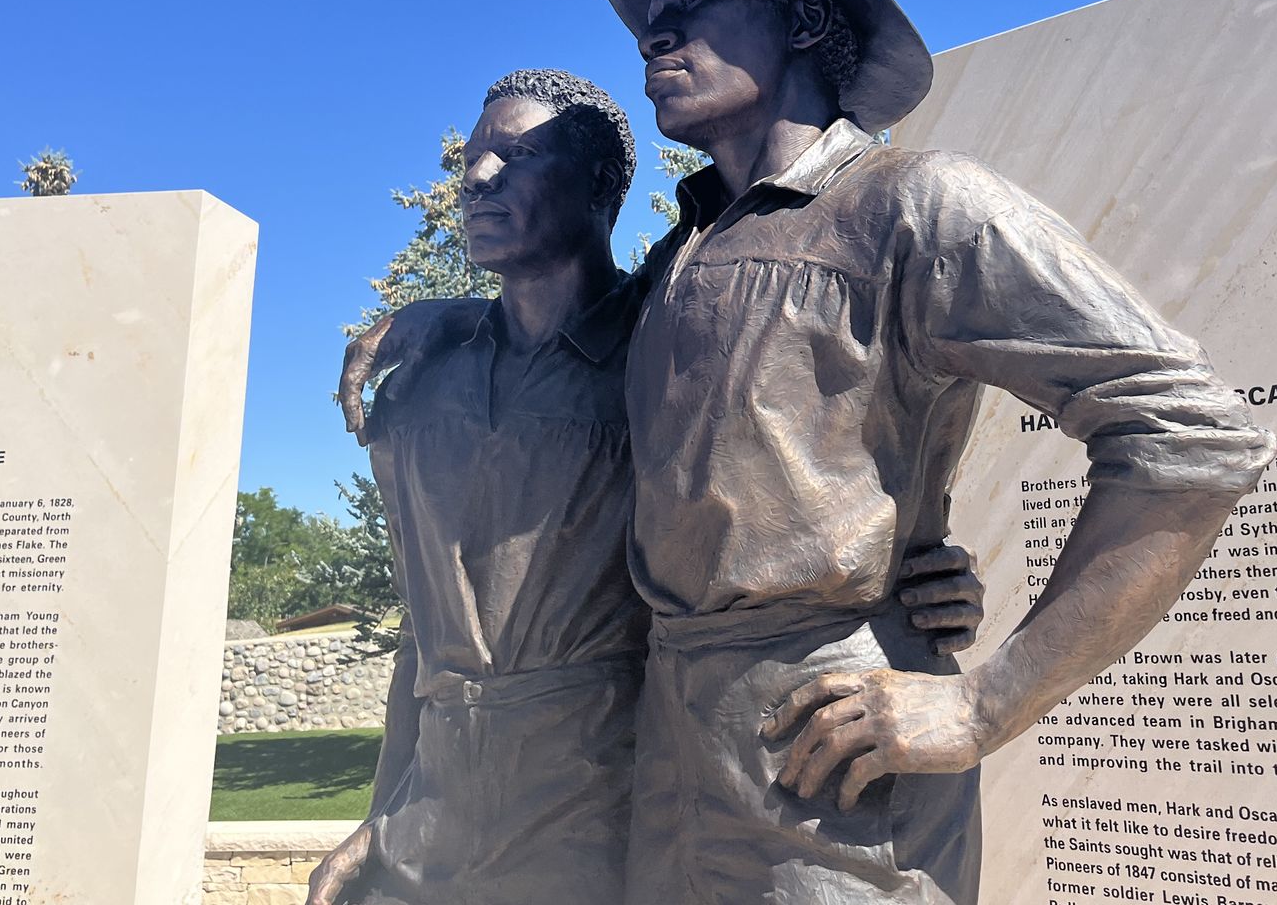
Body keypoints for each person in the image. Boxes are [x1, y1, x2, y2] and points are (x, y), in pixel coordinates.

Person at [588, 0, 1277, 904]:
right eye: (650, 23)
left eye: (691, 4)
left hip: (832, 755)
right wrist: (422, 329)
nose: (657, 38)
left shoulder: (914, 203)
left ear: (804, 19)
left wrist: (989, 702)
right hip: (671, 750)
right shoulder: (680, 256)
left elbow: (1190, 432)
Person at [309, 68, 984, 905]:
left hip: (613, 824)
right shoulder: (416, 392)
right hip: (431, 838)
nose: (477, 179)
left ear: (599, 184)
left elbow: (810, 485)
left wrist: (911, 574)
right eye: (472, 158)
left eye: (515, 157)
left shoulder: (672, 350)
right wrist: (381, 815)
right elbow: (423, 632)